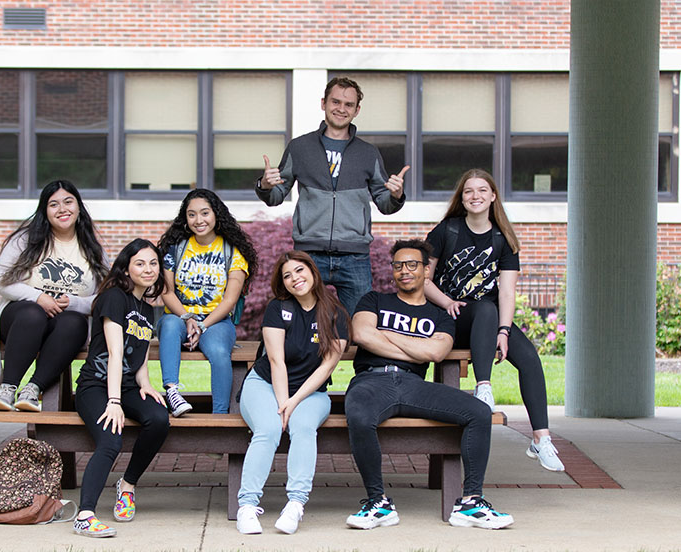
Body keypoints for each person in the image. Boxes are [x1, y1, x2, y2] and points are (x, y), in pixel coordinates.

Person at [345, 239, 513, 530]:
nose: (404, 271)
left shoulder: (440, 316)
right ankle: (378, 503)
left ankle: (471, 502)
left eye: (412, 264)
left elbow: (436, 353)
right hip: (370, 380)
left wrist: (384, 335)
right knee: (359, 415)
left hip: (412, 385)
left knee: (479, 412)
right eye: (398, 265)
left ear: (425, 270)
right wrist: (416, 346)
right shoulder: (374, 300)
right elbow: (361, 334)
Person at [423, 168, 564, 471]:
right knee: (484, 308)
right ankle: (483, 387)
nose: (476, 196)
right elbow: (424, 280)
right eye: (469, 191)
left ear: (493, 197)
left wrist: (504, 332)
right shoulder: (447, 230)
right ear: (462, 198)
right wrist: (448, 301)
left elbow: (507, 294)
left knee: (528, 356)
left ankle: (541, 439)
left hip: (488, 321)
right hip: (450, 317)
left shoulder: (503, 239)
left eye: (482, 190)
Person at [255, 76, 409, 316]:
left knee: (360, 327)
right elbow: (276, 196)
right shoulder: (300, 147)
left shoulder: (368, 153)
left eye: (348, 105)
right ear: (323, 103)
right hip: (309, 254)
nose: (341, 109)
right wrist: (264, 185)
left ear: (357, 110)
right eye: (335, 102)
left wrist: (396, 195)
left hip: (354, 257)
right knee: (300, 325)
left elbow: (384, 203)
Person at [236, 251, 350, 535]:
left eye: (299, 271)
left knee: (303, 427)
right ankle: (247, 506)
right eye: (287, 275)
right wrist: (282, 402)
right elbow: (276, 361)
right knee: (268, 428)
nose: (294, 279)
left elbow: (326, 368)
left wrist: (294, 402)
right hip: (264, 383)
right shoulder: (278, 308)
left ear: (313, 272)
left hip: (311, 393)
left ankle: (295, 504)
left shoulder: (336, 313)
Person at [72, 238, 170, 538]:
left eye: (153, 263)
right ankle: (85, 515)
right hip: (96, 386)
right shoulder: (114, 298)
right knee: (111, 441)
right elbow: (115, 352)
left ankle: (127, 485)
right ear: (126, 268)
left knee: (159, 419)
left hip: (126, 385)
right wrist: (113, 401)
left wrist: (147, 384)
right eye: (140, 263)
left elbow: (137, 353)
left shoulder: (147, 307)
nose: (148, 269)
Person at [0, 180, 108, 412]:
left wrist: (76, 303)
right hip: (21, 320)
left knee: (74, 322)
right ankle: (8, 389)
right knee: (33, 314)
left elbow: (106, 295)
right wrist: (39, 297)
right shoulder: (25, 240)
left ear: (79, 207)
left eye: (68, 202)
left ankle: (32, 390)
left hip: (64, 326)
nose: (62, 209)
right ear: (45, 211)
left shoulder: (92, 248)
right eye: (54, 204)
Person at [156, 189, 259, 415]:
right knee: (171, 325)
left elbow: (230, 299)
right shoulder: (175, 248)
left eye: (205, 213)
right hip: (178, 316)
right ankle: (172, 392)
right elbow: (167, 291)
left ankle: (219, 416)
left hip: (217, 321)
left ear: (216, 214)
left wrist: (203, 324)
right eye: (191, 214)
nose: (198, 220)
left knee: (219, 352)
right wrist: (188, 317)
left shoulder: (232, 251)